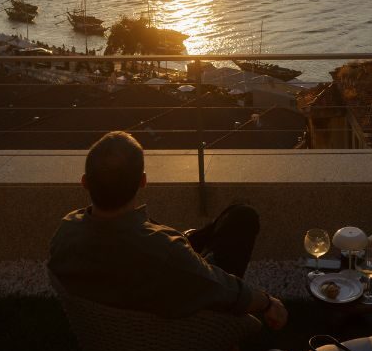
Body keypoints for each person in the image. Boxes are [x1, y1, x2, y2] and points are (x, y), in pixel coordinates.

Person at [49, 131, 288, 330]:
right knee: (242, 217)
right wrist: (267, 303)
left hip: (104, 341)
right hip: (174, 336)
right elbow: (221, 289)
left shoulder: (65, 233)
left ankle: (198, 235)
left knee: (211, 228)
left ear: (85, 182)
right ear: (143, 181)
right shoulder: (165, 253)